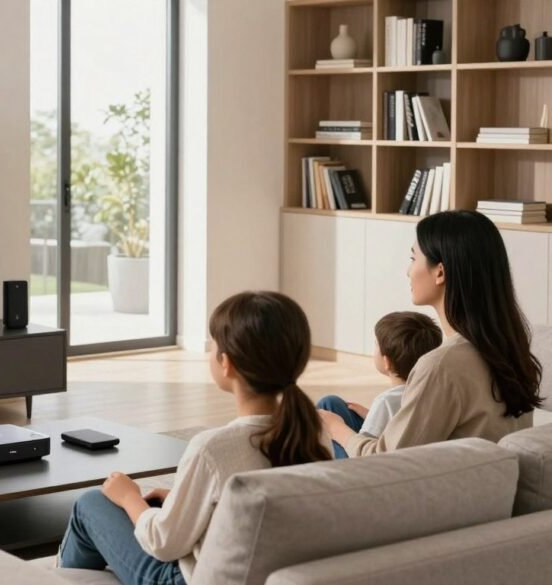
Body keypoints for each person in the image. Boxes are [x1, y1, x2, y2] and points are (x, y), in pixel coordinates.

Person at [57, 292, 331, 585]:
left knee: (91, 503)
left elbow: (163, 543)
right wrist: (178, 501)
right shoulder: (314, 432)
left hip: (181, 580)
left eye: (213, 343)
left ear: (227, 363)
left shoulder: (212, 448)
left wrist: (129, 498)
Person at [319, 210, 542, 457]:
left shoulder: (441, 366)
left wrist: (336, 429)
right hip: (480, 480)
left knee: (327, 414)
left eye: (413, 258)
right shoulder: (508, 347)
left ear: (440, 272)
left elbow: (386, 464)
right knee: (335, 406)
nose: (408, 270)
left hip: (412, 487)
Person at [316, 311, 442, 458]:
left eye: (376, 345)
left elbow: (364, 451)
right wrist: (372, 415)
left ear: (386, 362)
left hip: (364, 462)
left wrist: (336, 428)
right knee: (331, 403)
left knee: (325, 413)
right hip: (398, 445)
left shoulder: (385, 401)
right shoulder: (430, 392)